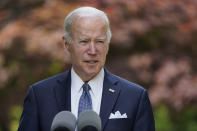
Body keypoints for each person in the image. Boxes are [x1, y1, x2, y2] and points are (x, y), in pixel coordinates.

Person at [18, 7, 155, 131]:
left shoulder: (135, 97)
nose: (93, 50)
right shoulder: (40, 95)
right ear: (67, 44)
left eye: (100, 41)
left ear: (107, 45)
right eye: (84, 41)